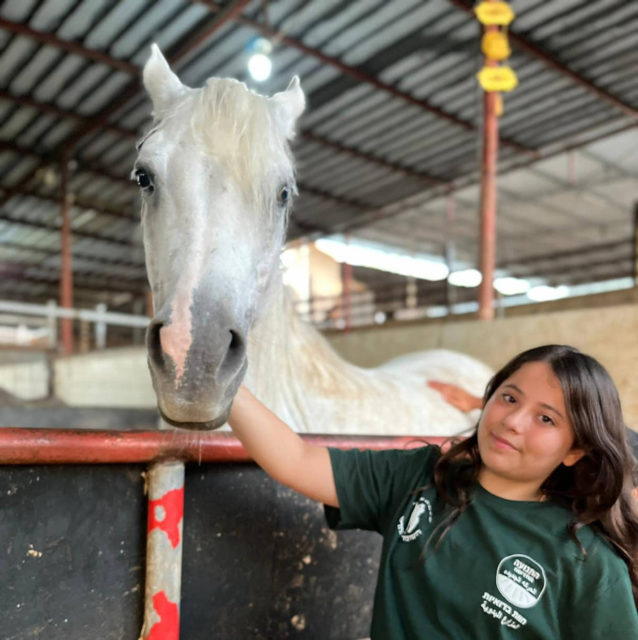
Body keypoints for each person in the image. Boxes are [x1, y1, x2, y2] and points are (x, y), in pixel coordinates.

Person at [229, 344, 638, 638]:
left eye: (546, 419)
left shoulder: (589, 564)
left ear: (575, 451)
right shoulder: (419, 477)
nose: (513, 420)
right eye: (508, 397)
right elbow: (296, 460)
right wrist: (221, 378)